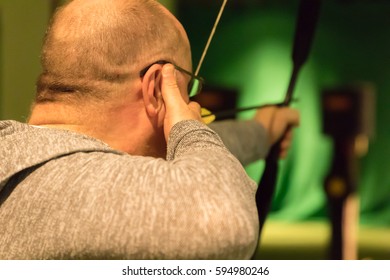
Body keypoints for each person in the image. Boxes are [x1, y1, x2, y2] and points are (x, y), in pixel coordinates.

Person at [0, 0, 299, 259]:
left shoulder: (21, 159)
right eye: (186, 88)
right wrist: (188, 126)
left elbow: (188, 164)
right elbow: (224, 221)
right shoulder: (77, 186)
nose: (188, 103)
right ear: (158, 89)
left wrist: (261, 132)